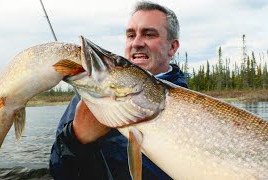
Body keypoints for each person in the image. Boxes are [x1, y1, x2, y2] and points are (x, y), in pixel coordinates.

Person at [49, 1, 188, 179]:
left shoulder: (194, 108)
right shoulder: (87, 100)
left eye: (149, 34)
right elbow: (59, 173)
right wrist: (75, 139)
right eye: (131, 35)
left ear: (173, 47)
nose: (136, 43)